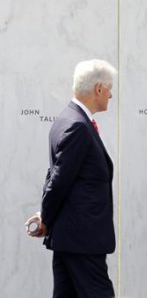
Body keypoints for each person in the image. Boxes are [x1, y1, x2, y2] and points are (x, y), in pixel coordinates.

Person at [25, 59, 117, 298]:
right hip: (83, 240)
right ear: (98, 89)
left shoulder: (67, 119)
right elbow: (58, 180)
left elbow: (56, 175)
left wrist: (47, 214)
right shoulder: (77, 126)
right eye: (109, 89)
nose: (111, 95)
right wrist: (46, 215)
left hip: (71, 238)